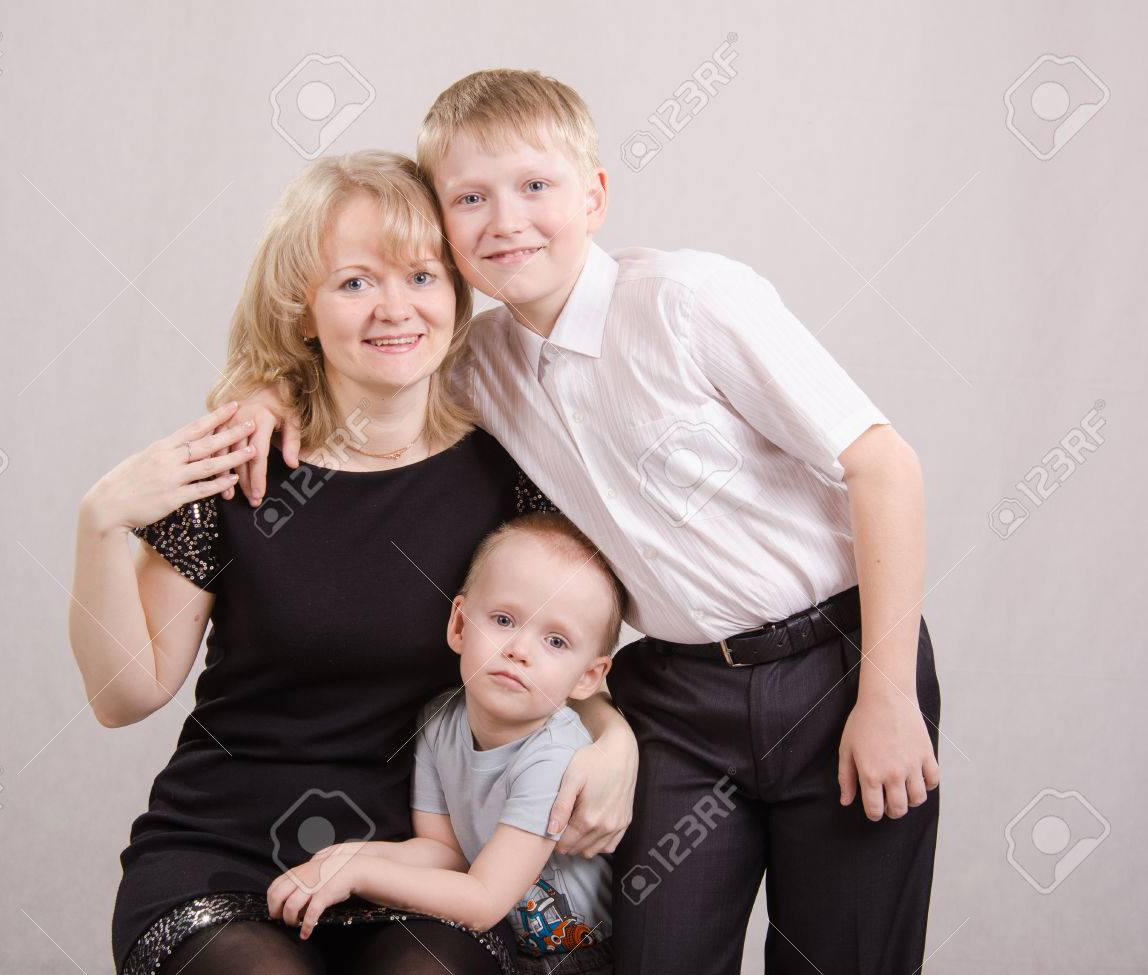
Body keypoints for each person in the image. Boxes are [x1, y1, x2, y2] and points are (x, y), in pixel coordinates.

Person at [224, 69, 943, 974]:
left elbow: (885, 467)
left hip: (836, 665)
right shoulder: (477, 361)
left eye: (535, 186)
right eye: (470, 198)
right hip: (677, 697)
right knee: (648, 955)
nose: (505, 219)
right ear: (443, 227)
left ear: (595, 194)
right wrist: (262, 388)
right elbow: (358, 356)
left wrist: (887, 698)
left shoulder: (689, 302)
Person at [69, 149, 638, 975]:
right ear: (302, 311)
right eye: (355, 282)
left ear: (455, 294)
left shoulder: (510, 477)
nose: (394, 309)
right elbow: (125, 695)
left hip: (424, 867)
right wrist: (98, 525)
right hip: (223, 856)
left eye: (421, 276)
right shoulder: (238, 465)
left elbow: (559, 660)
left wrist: (613, 739)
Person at [266, 512, 623, 975]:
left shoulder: (554, 756)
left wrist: (358, 874)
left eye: (555, 641)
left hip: (574, 956)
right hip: (502, 944)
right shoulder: (438, 722)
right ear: (459, 625)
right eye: (503, 619)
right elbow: (445, 855)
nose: (519, 649)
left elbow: (483, 900)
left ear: (588, 677)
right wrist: (343, 857)